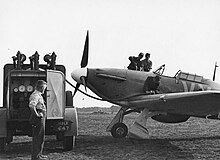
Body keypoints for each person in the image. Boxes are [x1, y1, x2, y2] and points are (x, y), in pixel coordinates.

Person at [29, 80, 48, 160]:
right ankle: (36, 157)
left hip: (41, 116)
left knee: (40, 136)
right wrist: (37, 114)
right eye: (44, 87)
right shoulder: (36, 95)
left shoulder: (38, 95)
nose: (44, 89)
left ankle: (39, 154)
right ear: (41, 87)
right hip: (39, 117)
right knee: (38, 136)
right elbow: (31, 106)